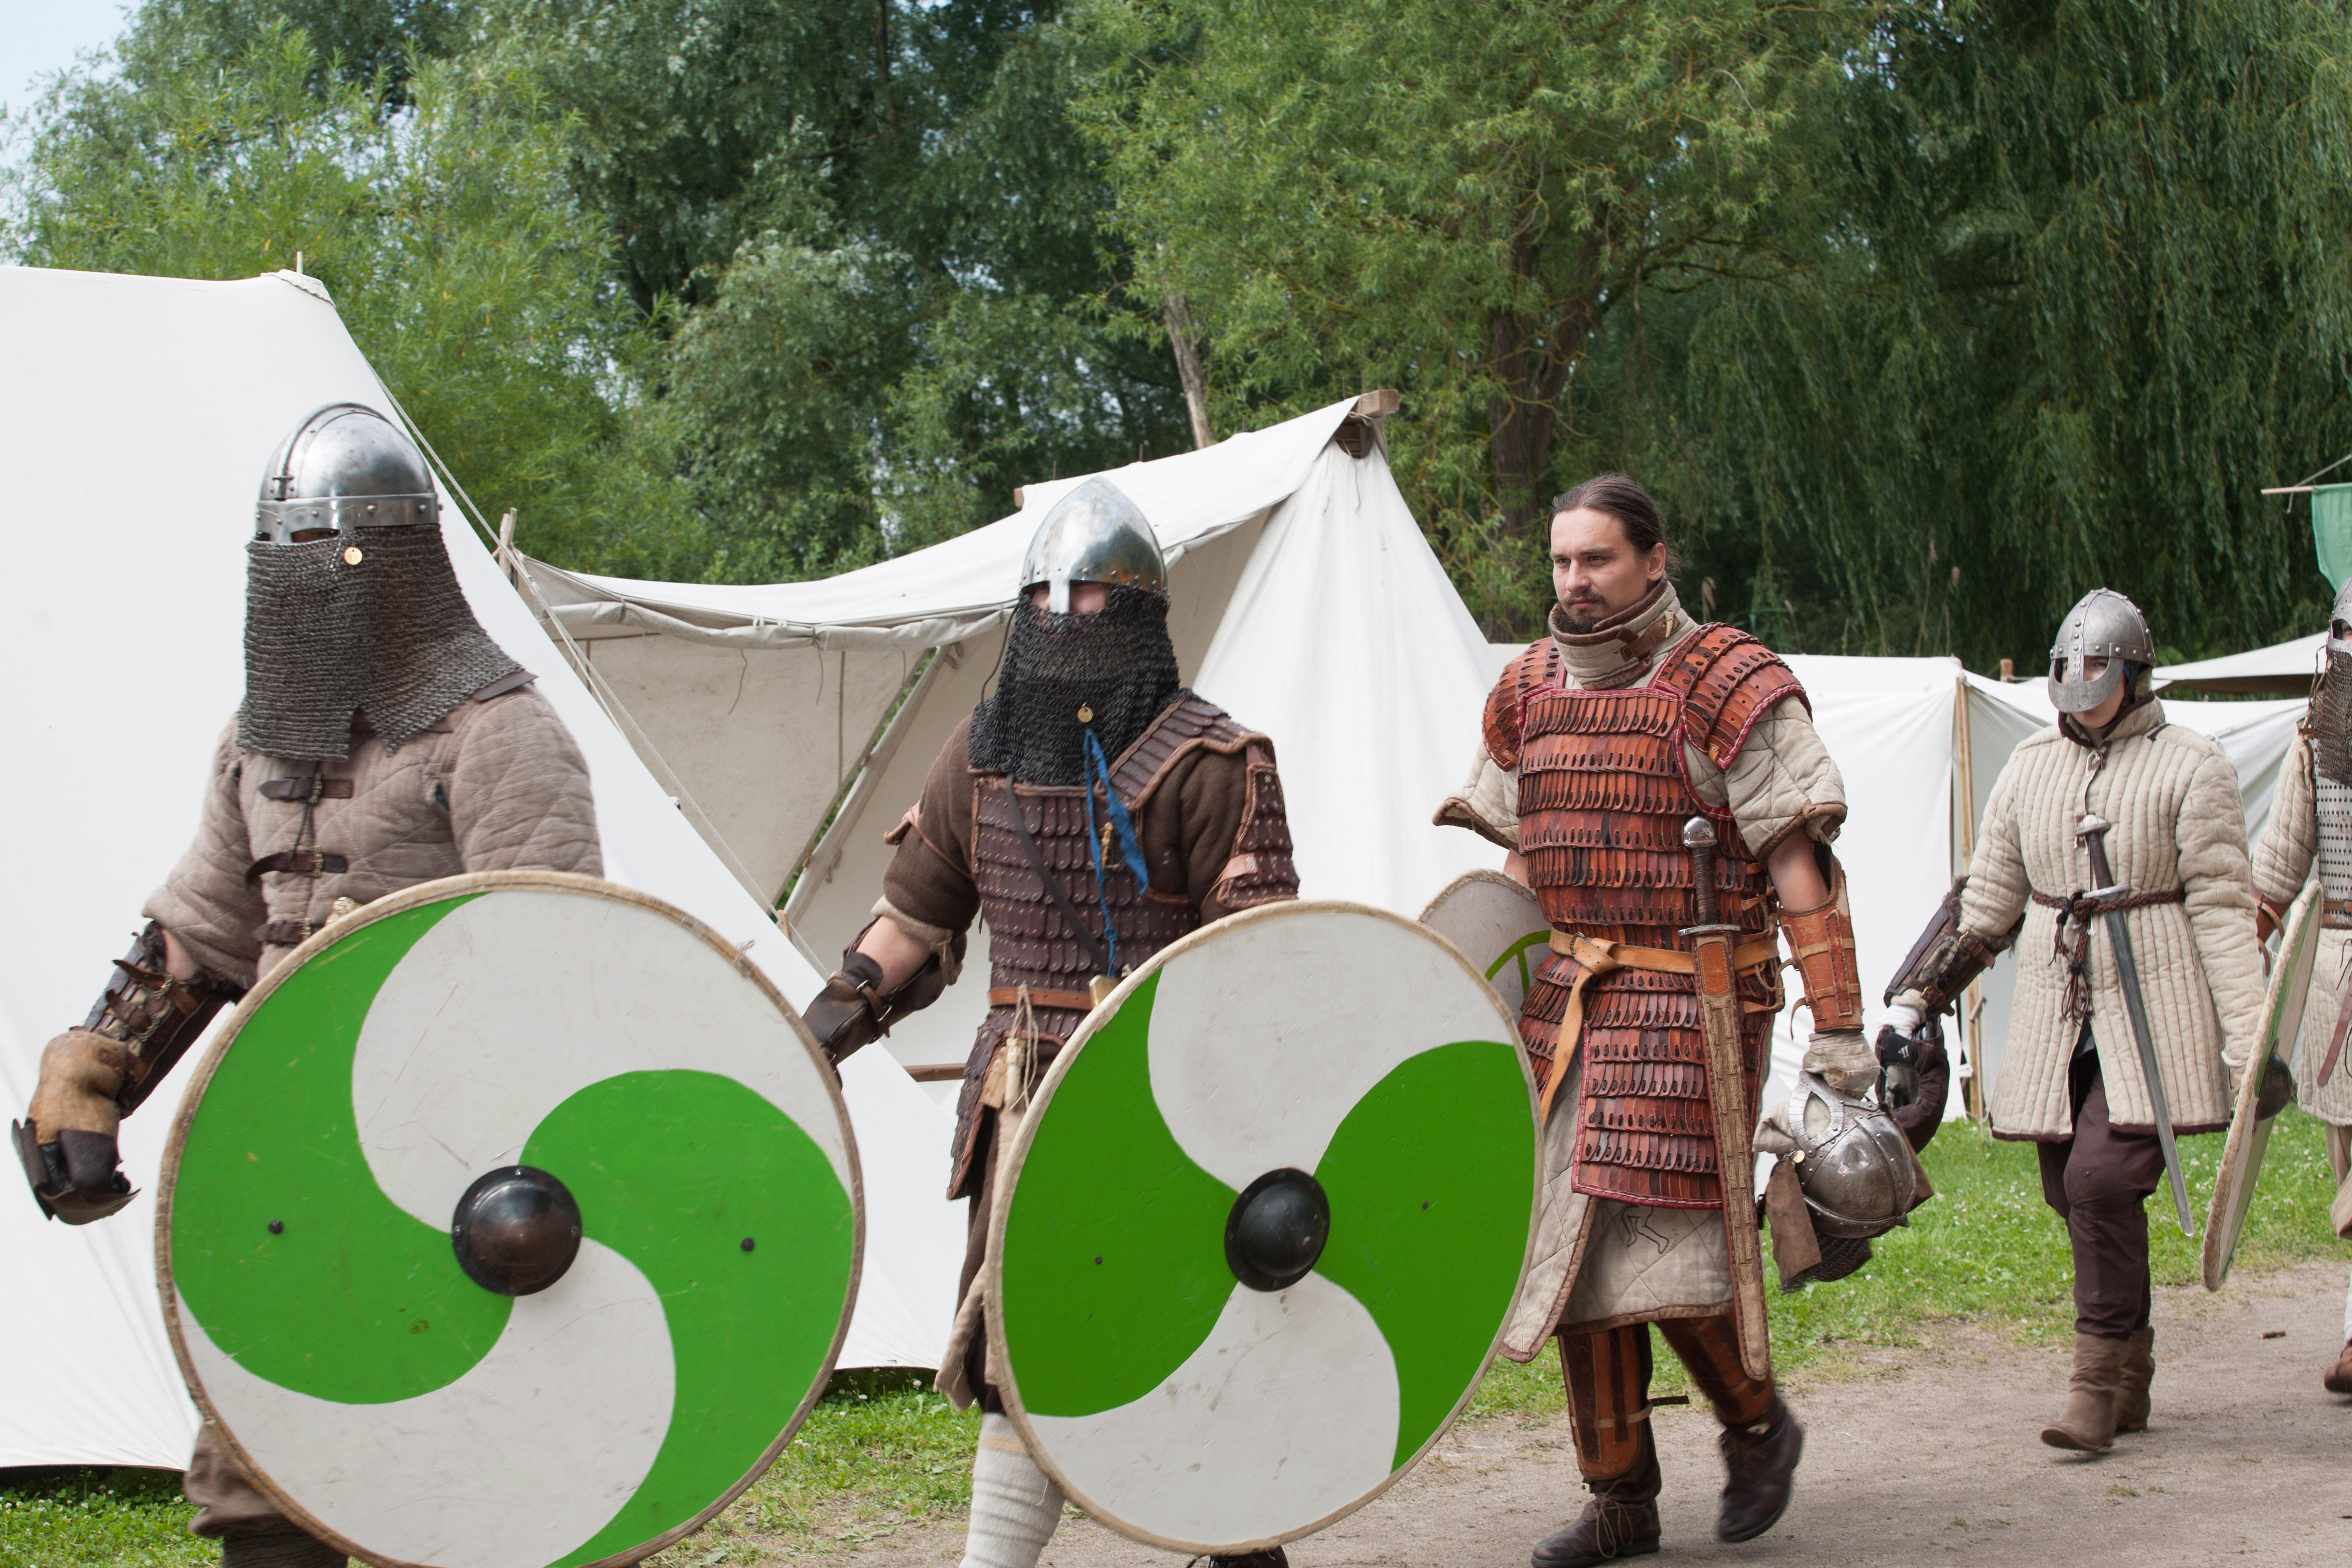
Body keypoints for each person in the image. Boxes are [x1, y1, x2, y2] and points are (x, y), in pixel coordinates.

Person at [16, 403, 602, 1568]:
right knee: (267, 1455)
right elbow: (202, 937)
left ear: (389, 565)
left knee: (460, 1459)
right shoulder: (259, 737)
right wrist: (90, 1075)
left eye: (316, 555)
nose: (296, 583)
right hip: (286, 1144)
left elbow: (555, 968)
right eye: (278, 556)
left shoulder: (499, 733)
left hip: (452, 1160)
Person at [800, 478, 1299, 1568]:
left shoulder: (1216, 763)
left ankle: (1240, 1546)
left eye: (1090, 596)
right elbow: (914, 921)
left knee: (1193, 1328)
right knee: (1019, 1341)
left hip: (1171, 1098)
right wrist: (823, 1027)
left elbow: (1259, 972)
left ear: (1140, 613)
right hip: (1022, 1095)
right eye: (1045, 597)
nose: (1065, 616)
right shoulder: (980, 754)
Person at [1433, 474, 1869, 1566]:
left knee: (1656, 1247)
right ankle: (1619, 1495)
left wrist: (1838, 1026)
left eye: (1598, 558)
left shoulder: (1727, 681)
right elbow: (1520, 871)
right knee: (1571, 1253)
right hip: (1571, 993)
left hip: (1694, 994)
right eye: (1561, 560)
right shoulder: (1527, 690)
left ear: (1654, 559)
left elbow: (1797, 861)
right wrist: (1483, 996)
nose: (1575, 581)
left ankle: (1756, 1425)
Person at [1878, 587, 2264, 1450]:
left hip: (2157, 1012)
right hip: (2060, 1014)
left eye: (2101, 665)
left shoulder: (2192, 764)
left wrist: (2250, 1043)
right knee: (2074, 1194)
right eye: (2073, 665)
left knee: (2099, 1183)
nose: (2084, 679)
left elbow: (2222, 909)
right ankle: (2133, 1373)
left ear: (2135, 671)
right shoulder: (2030, 767)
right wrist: (1915, 999)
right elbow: (1987, 905)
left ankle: (2093, 1387)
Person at [2247, 577, 2352, 1397]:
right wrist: (2236, 954)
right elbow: (2278, 869)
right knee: (2349, 1160)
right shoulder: (2316, 744)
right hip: (2337, 974)